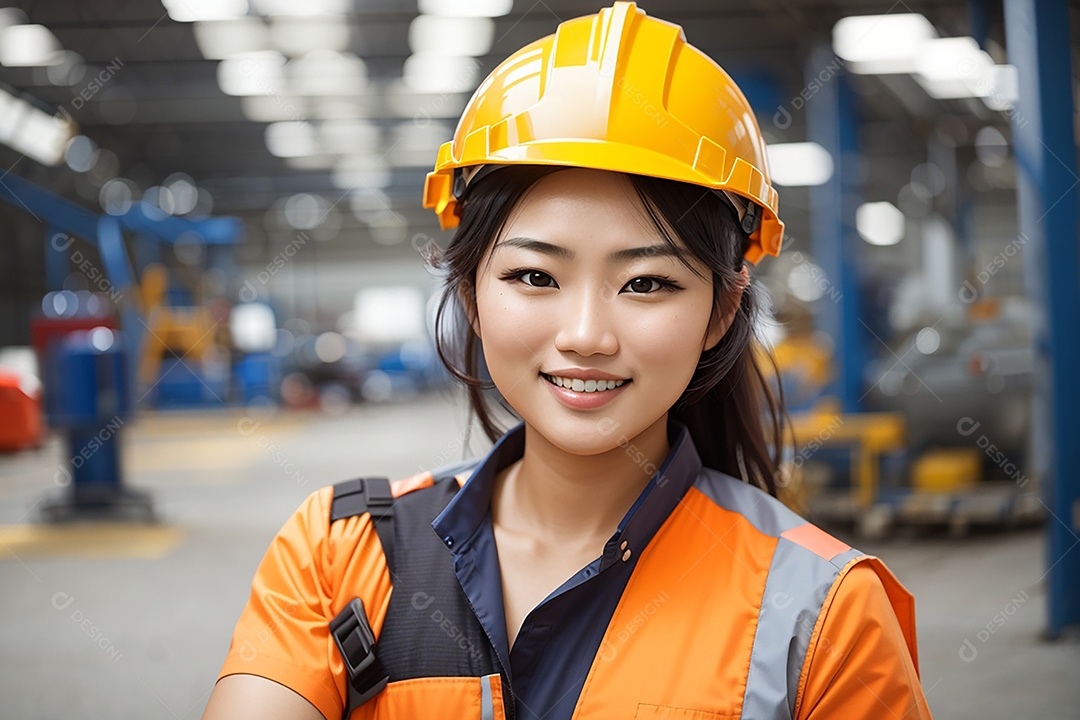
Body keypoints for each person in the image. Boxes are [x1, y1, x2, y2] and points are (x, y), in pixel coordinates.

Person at [202, 3, 933, 719]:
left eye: (646, 283)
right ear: (470, 290)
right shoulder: (340, 550)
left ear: (721, 311)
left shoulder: (823, 612)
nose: (586, 334)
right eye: (535, 276)